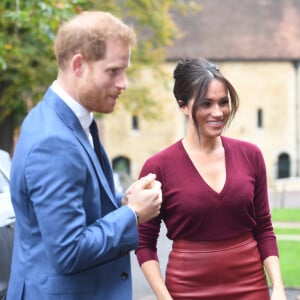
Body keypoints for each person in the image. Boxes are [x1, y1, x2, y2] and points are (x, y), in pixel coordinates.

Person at [7, 11, 162, 300]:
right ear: (79, 65)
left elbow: (83, 210)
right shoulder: (53, 141)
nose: (123, 83)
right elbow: (68, 251)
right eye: (113, 71)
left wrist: (124, 202)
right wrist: (133, 214)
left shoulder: (73, 122)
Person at [135, 58, 287, 300]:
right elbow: (144, 244)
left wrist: (277, 287)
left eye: (223, 102)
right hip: (187, 289)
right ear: (183, 106)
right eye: (207, 104)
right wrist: (165, 298)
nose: (218, 112)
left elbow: (264, 228)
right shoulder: (158, 168)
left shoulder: (251, 155)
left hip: (250, 285)